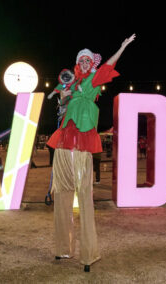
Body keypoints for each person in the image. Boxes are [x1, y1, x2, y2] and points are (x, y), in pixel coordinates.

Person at [46, 34, 136, 272]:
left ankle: (88, 255)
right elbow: (61, 104)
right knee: (63, 194)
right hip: (65, 142)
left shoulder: (94, 80)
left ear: (91, 63)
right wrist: (63, 98)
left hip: (84, 142)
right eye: (81, 60)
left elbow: (109, 65)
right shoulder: (71, 83)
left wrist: (122, 46)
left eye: (88, 60)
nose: (85, 63)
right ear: (78, 63)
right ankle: (63, 249)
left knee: (84, 196)